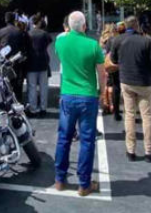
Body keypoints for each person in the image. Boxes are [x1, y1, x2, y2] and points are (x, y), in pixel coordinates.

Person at [54, 11, 106, 197]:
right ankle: (84, 184)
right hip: (87, 96)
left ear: (67, 26)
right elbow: (102, 73)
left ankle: (59, 179)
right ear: (85, 26)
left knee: (64, 138)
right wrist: (102, 92)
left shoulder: (60, 42)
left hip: (67, 95)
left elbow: (64, 39)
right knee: (87, 140)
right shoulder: (93, 45)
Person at [110, 16, 151, 162]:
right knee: (147, 116)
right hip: (145, 81)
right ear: (137, 25)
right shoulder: (146, 41)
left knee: (129, 115)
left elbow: (113, 60)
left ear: (125, 26)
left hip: (126, 80)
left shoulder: (118, 40)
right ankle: (149, 151)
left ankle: (130, 150)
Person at [0, 12, 29, 103]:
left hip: (4, 61)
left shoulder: (1, 31)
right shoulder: (18, 31)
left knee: (5, 84)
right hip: (16, 61)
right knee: (17, 85)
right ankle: (17, 103)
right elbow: (23, 47)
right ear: (14, 20)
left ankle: (6, 103)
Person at [27, 16, 52, 117]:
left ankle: (33, 109)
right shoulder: (44, 34)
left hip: (31, 62)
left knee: (32, 86)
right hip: (43, 62)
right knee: (43, 86)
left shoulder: (28, 34)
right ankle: (43, 108)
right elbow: (49, 42)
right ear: (39, 23)